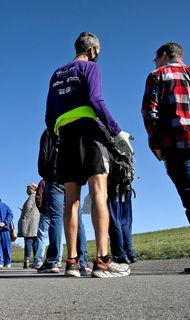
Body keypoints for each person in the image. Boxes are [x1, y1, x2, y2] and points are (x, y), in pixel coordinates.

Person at [45, 32, 132, 277]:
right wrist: (116, 130)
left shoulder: (57, 73)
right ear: (93, 50)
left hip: (66, 136)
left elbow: (49, 115)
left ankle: (71, 262)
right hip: (89, 134)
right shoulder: (90, 68)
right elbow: (95, 98)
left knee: (70, 200)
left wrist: (57, 139)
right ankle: (102, 260)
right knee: (98, 194)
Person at [141, 42, 190, 273]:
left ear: (163, 55)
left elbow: (150, 112)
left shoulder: (157, 75)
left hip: (177, 144)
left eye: (156, 58)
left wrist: (155, 143)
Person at [36, 129, 91, 275]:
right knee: (77, 218)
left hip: (55, 178)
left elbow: (43, 158)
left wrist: (47, 174)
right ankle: (82, 262)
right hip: (73, 178)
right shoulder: (76, 128)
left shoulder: (49, 132)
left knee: (56, 218)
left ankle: (53, 261)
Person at [17, 183, 40, 268]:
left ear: (33, 189)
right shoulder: (38, 196)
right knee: (35, 242)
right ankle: (36, 260)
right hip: (36, 222)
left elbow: (28, 208)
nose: (27, 191)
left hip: (29, 222)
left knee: (28, 240)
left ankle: (26, 260)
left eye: (28, 189)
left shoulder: (32, 197)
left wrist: (23, 217)